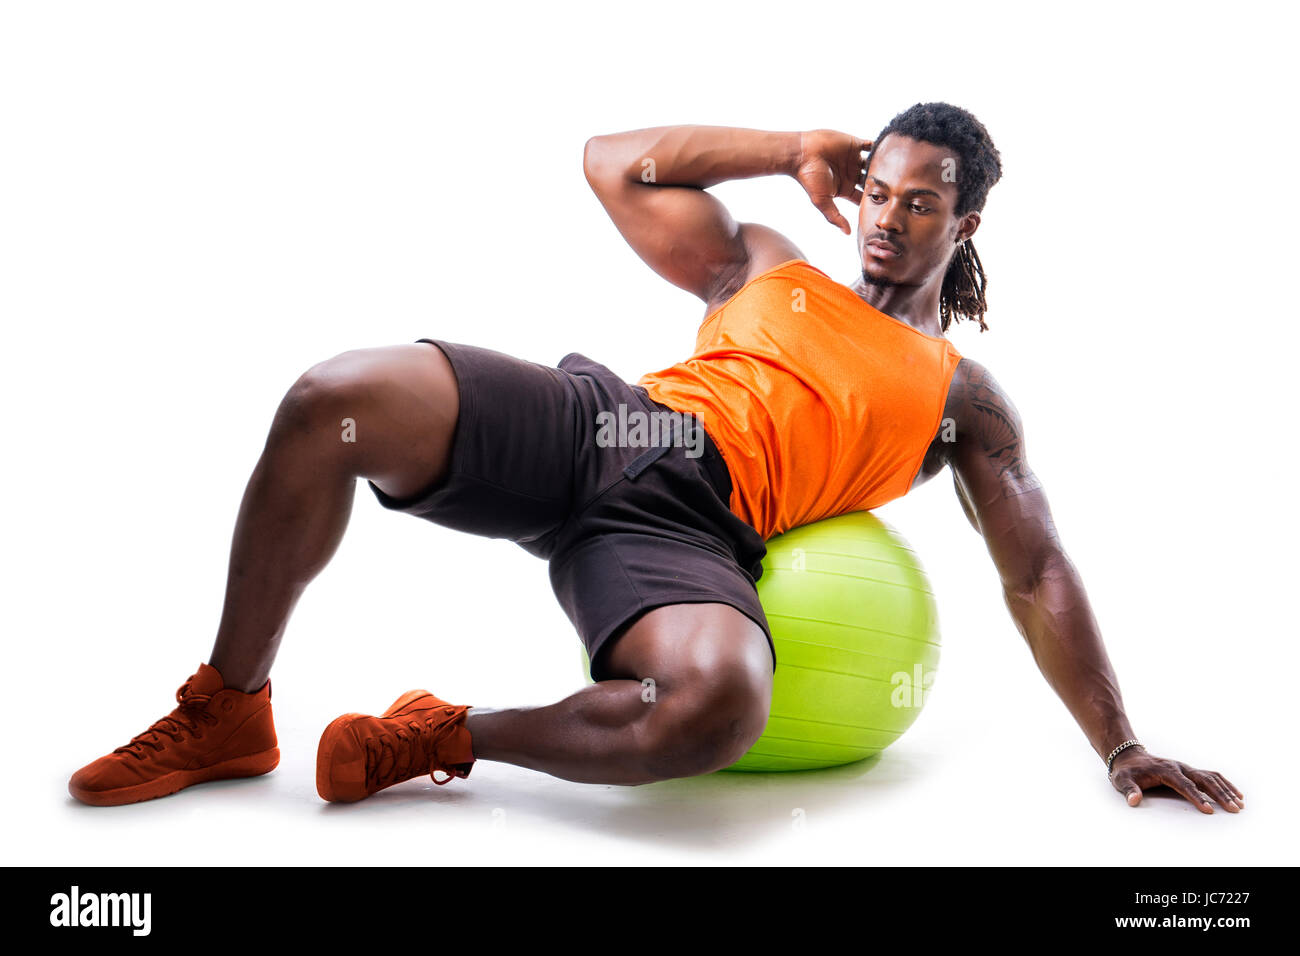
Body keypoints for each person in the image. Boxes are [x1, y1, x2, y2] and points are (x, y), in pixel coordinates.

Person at [69, 102, 1243, 813]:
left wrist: (1122, 740)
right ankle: (230, 706)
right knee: (332, 399)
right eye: (877, 190)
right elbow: (612, 161)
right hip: (609, 424)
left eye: (920, 202)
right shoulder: (769, 264)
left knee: (719, 702)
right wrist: (787, 147)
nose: (886, 217)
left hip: (689, 534)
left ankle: (442, 732)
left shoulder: (963, 401)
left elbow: (1033, 570)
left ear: (966, 222)